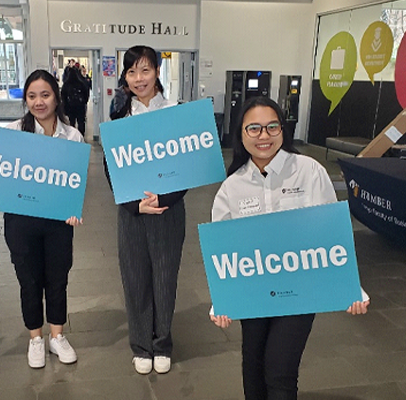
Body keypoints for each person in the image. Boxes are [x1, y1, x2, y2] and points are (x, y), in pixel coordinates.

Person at [209, 96, 370, 400]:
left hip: (299, 289)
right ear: (240, 134)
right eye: (253, 128)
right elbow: (223, 249)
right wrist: (222, 300)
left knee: (280, 370)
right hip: (253, 290)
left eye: (272, 127)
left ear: (283, 129)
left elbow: (330, 233)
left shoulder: (308, 171)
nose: (263, 136)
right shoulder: (232, 186)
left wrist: (351, 287)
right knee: (253, 370)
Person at [0, 69, 84, 369]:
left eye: (45, 95)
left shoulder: (72, 135)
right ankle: (35, 338)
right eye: (32, 96)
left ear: (56, 97)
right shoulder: (15, 131)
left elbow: (76, 181)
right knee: (29, 281)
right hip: (21, 220)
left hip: (58, 222)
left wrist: (74, 207)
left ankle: (57, 336)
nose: (39, 102)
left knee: (57, 279)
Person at [104, 45, 186, 375]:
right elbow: (111, 168)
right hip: (132, 211)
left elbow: (187, 163)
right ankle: (140, 344)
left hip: (169, 209)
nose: (139, 78)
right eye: (132, 72)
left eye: (146, 70)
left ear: (157, 72)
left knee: (165, 278)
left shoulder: (176, 113)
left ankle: (162, 342)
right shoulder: (119, 118)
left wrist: (163, 200)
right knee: (136, 277)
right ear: (125, 76)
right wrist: (134, 205)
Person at [61, 67, 90, 136]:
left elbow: (63, 96)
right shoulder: (81, 83)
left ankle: (72, 136)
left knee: (72, 122)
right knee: (81, 122)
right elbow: (86, 94)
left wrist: (65, 105)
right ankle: (81, 135)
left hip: (70, 106)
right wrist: (84, 102)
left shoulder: (66, 84)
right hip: (80, 106)